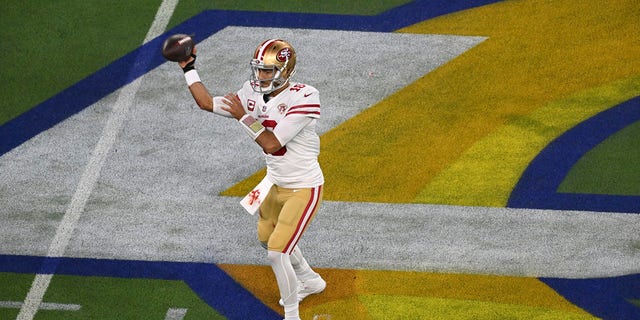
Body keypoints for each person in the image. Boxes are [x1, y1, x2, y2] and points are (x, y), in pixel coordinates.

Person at [176, 39, 326, 320]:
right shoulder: (251, 93)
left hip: (304, 186)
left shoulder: (305, 96)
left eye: (268, 71)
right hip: (273, 182)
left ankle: (292, 316)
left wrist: (243, 116)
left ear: (285, 70)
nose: (261, 76)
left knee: (277, 252)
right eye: (259, 70)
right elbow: (206, 103)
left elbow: (272, 143)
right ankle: (310, 279)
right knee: (265, 240)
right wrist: (189, 68)